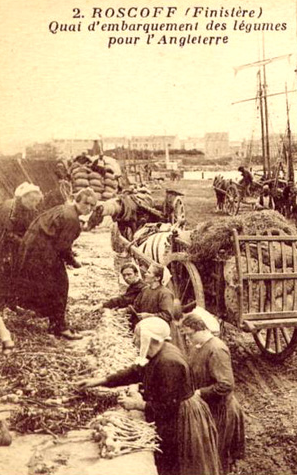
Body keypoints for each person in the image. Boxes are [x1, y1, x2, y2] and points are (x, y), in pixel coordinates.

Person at [76, 317, 221, 475]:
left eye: (138, 337)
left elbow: (169, 406)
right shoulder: (155, 351)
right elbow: (134, 372)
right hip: (173, 413)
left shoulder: (168, 362)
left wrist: (138, 405)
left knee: (177, 461)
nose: (135, 341)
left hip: (181, 417)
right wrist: (101, 381)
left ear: (151, 338)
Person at [16, 188, 97, 340]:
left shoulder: (64, 209)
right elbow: (62, 248)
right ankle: (59, 327)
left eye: (93, 206)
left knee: (50, 287)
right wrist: (73, 261)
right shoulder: (72, 219)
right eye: (87, 204)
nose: (89, 208)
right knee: (60, 286)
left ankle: (52, 321)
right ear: (77, 200)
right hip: (41, 254)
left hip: (33, 250)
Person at [180, 312, 245, 472]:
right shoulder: (198, 346)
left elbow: (226, 384)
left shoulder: (216, 350)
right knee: (209, 454)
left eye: (189, 335)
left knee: (217, 453)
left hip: (221, 411)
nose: (188, 340)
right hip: (209, 409)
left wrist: (200, 393)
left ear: (199, 329)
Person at [0, 182, 44, 311]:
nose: (34, 204)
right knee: (3, 274)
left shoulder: (27, 208)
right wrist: (25, 243)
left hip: (14, 245)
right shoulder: (9, 209)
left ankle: (11, 303)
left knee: (16, 274)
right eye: (32, 201)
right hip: (3, 245)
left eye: (36, 201)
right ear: (23, 197)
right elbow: (5, 234)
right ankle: (1, 307)